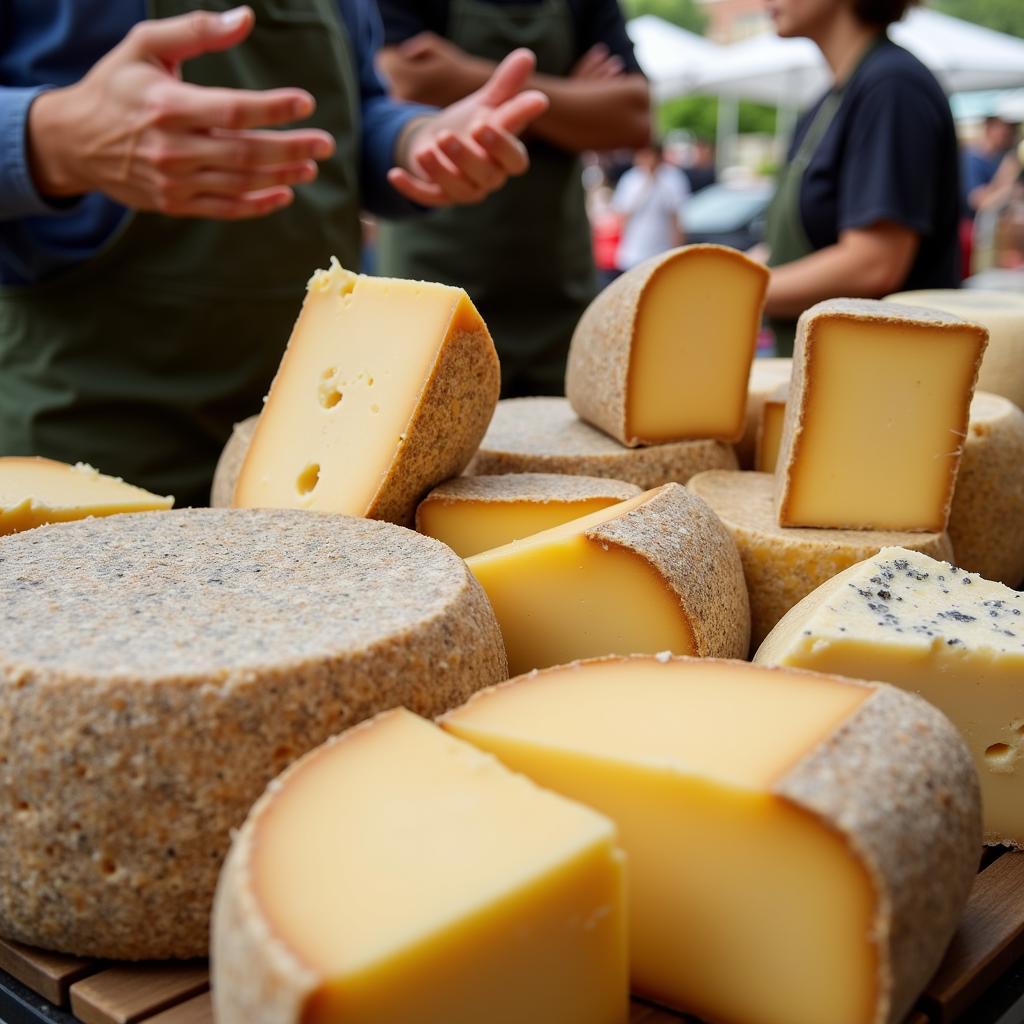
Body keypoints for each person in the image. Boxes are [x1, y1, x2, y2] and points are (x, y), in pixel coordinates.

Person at [0, 3, 549, 505]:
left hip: (325, 436)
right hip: (88, 423)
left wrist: (416, 138)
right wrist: (49, 137)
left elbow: (357, 110)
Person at [374, 0, 650, 396]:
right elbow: (407, 82)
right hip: (435, 293)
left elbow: (635, 117)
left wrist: (462, 76)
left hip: (561, 298)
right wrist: (570, 99)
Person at [759, 0, 961, 355]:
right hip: (819, 369)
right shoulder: (826, 103)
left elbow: (873, 263)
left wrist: (735, 295)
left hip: (884, 377)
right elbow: (788, 252)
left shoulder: (893, 87)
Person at [612, 145, 689, 271]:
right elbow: (622, 217)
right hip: (633, 254)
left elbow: (676, 218)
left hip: (662, 253)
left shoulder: (673, 177)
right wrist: (646, 185)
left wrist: (677, 252)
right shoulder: (630, 179)